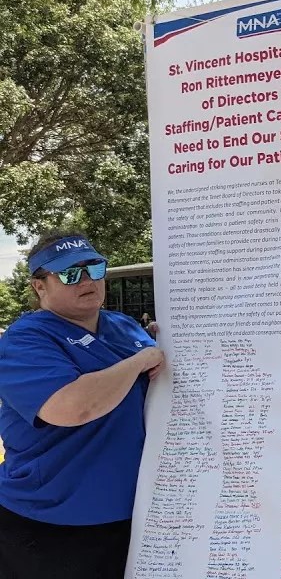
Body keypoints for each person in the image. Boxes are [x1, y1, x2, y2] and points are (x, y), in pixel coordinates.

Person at [0, 229, 165, 578]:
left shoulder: (124, 327)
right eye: (70, 273)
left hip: (132, 514)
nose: (87, 280)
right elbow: (72, 406)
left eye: (94, 268)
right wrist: (139, 362)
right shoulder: (26, 338)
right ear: (39, 286)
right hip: (49, 523)